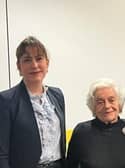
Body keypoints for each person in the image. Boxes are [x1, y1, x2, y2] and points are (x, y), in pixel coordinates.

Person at [0, 36, 66, 168]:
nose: (34, 65)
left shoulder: (57, 95)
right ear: (19, 66)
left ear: (47, 63)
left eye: (39, 58)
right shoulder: (6, 100)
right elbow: (2, 153)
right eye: (27, 60)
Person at [67, 78, 125, 168]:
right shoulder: (81, 132)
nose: (107, 106)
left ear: (119, 103)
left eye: (111, 100)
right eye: (100, 102)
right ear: (93, 106)